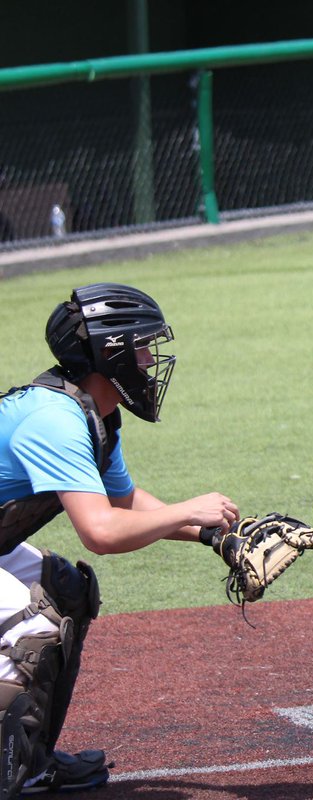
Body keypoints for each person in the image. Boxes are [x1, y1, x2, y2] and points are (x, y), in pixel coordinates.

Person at [0, 283, 239, 794]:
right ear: (110, 353)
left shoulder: (92, 413)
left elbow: (125, 503)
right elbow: (102, 532)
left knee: (65, 590)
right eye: (141, 345)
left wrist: (213, 537)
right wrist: (191, 508)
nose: (150, 358)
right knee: (32, 628)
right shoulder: (54, 420)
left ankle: (34, 759)